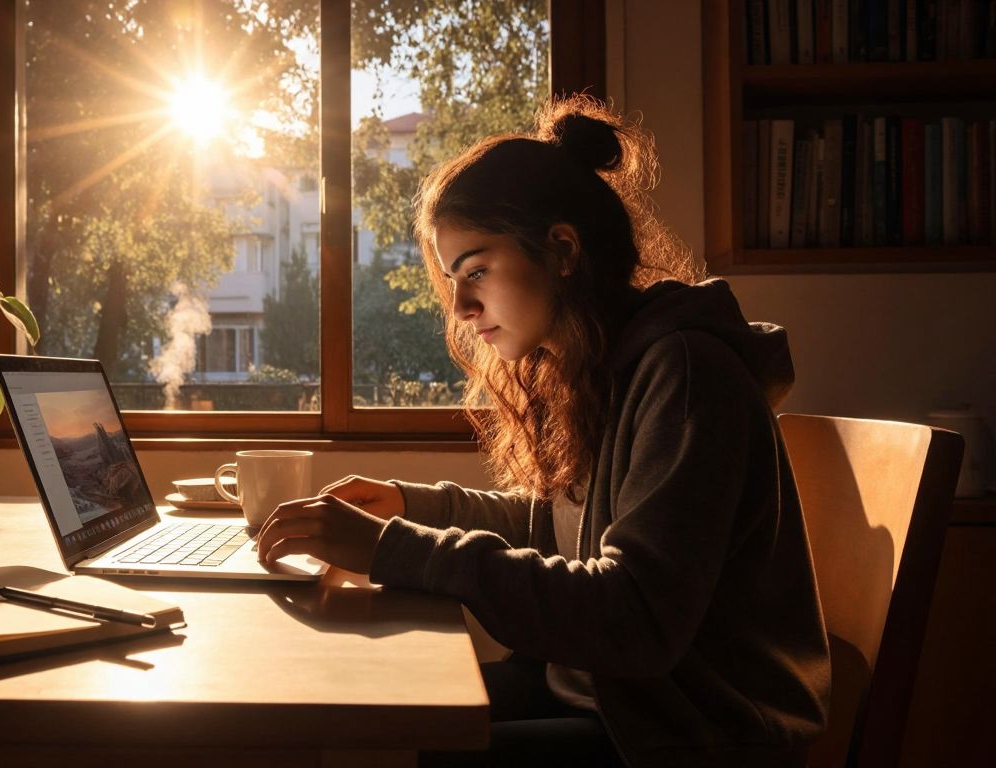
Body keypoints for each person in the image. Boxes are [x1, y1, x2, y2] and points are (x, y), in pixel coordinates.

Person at [255, 95, 831, 767]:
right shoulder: (596, 366)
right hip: (619, 699)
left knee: (419, 742)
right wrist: (414, 507)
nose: (464, 309)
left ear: (561, 250)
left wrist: (396, 549)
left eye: (477, 271)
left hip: (698, 731)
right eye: (453, 282)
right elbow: (553, 531)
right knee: (378, 705)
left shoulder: (685, 374)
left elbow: (635, 616)